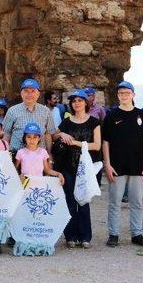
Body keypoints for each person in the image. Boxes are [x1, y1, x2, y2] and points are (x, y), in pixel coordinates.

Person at [103, 81, 143, 248]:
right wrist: (107, 164)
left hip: (138, 165)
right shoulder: (111, 115)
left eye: (126, 93)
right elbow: (105, 142)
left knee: (136, 202)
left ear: (133, 95)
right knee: (115, 201)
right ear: (117, 95)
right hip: (116, 165)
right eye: (120, 93)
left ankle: (137, 234)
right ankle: (113, 234)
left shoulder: (142, 116)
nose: (123, 95)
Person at [53, 90, 101, 249]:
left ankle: (85, 236)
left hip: (85, 167)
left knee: (84, 199)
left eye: (80, 100)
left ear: (86, 103)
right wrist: (63, 135)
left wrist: (76, 143)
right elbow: (55, 136)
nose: (77, 103)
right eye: (74, 101)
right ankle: (70, 236)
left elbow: (97, 145)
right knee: (70, 201)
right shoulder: (66, 121)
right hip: (67, 165)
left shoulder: (94, 122)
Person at [2, 78, 58, 156]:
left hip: (39, 158)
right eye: (26, 91)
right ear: (21, 93)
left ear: (38, 94)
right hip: (17, 156)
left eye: (33, 91)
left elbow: (48, 134)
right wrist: (4, 155)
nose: (29, 94)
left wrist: (49, 154)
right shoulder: (12, 111)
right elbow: (7, 134)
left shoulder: (46, 111)